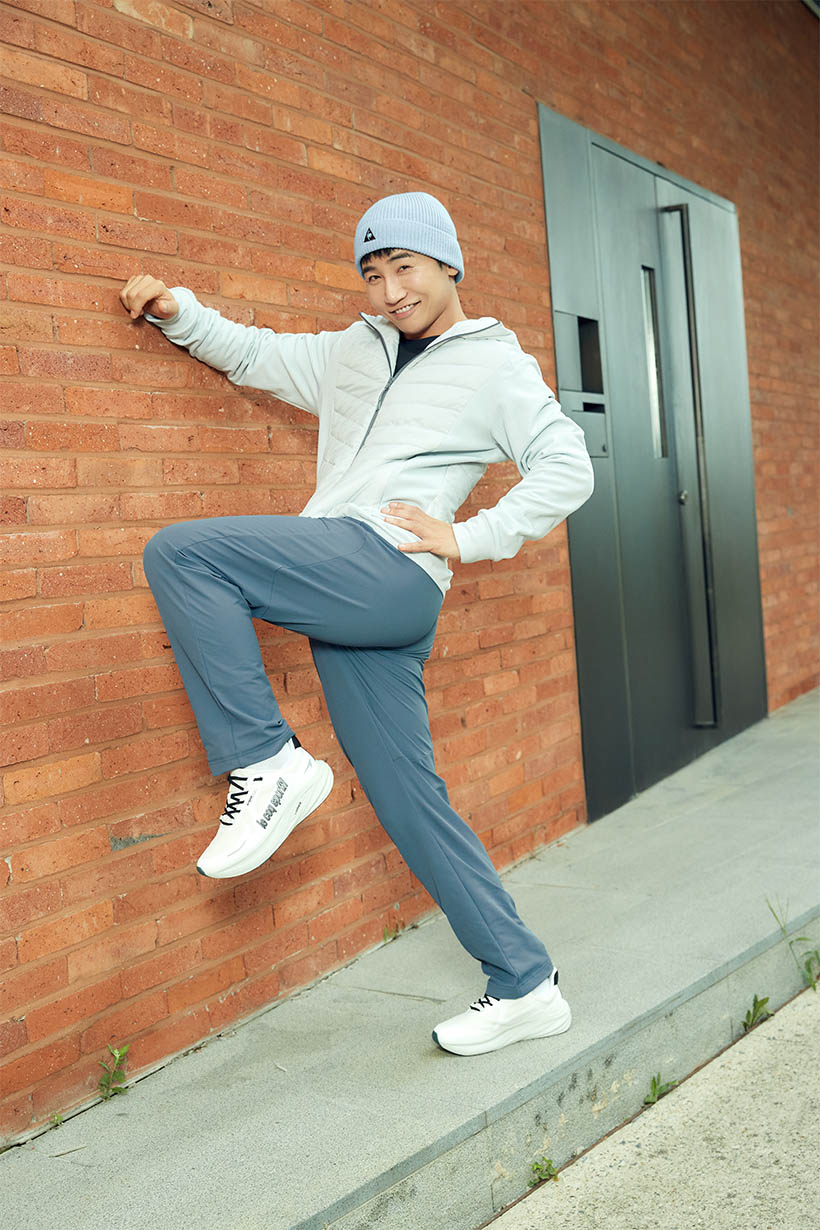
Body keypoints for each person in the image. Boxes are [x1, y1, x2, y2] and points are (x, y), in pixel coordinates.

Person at [119, 191, 594, 1056]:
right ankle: (525, 982)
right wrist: (175, 313)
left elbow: (567, 467)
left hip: (386, 567)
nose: (390, 291)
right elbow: (256, 354)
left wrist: (467, 537)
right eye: (373, 275)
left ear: (447, 263)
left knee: (184, 554)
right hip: (357, 593)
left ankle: (266, 762)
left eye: (404, 268)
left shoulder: (495, 366)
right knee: (408, 800)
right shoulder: (354, 351)